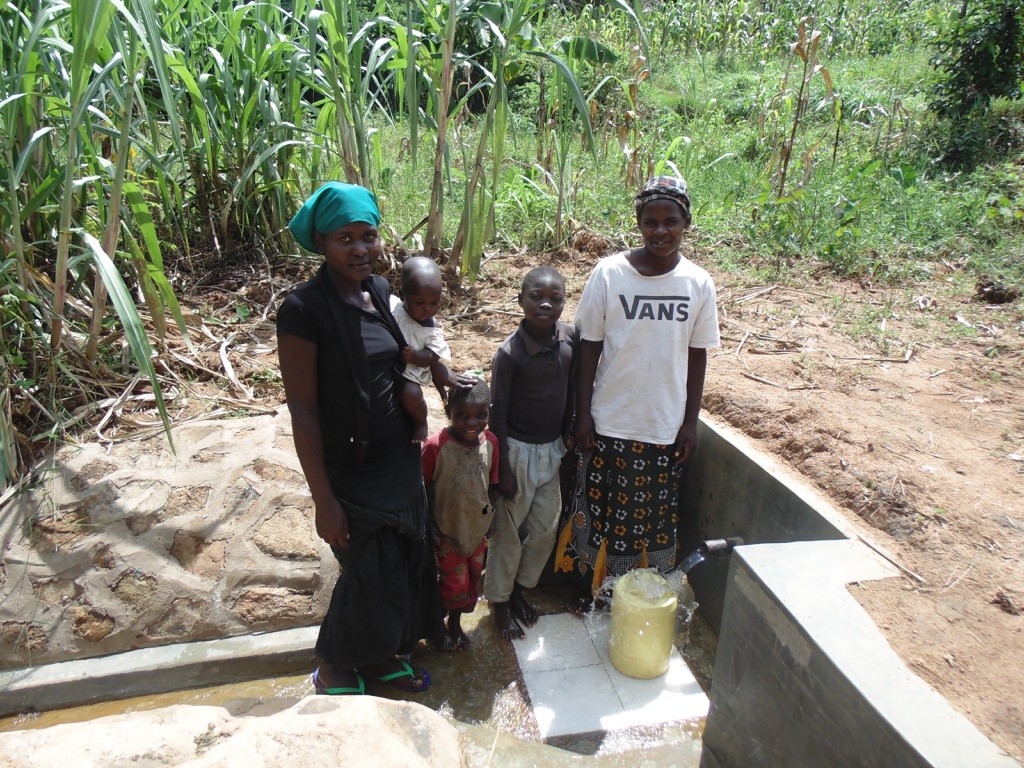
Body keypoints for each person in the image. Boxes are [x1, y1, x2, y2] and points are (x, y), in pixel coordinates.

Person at [276, 181, 440, 696]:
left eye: (368, 236)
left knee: (403, 565)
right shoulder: (304, 310)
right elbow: (303, 411)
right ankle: (334, 670)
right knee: (368, 573)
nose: (360, 249)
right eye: (344, 238)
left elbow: (399, 364)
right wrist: (324, 501)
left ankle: (380, 658)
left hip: (396, 458)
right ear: (321, 242)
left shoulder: (380, 292)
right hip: (351, 471)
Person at [554, 176, 721, 613]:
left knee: (652, 518)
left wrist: (689, 423)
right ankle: (589, 589)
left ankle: (634, 596)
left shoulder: (697, 283)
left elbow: (697, 355)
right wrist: (583, 415)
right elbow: (589, 345)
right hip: (609, 418)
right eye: (651, 222)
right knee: (597, 510)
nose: (660, 231)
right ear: (638, 223)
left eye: (671, 221)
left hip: (662, 424)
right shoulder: (610, 273)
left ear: (686, 223)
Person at [486, 266, 578, 639]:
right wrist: (503, 470)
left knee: (544, 529)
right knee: (507, 533)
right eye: (536, 297)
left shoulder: (569, 339)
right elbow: (497, 414)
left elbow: (571, 389)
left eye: (556, 299)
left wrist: (568, 431)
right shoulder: (510, 354)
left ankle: (520, 590)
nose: (546, 305)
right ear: (520, 300)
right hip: (518, 452)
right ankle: (498, 601)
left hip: (551, 450)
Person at [421, 378, 499, 651]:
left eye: (481, 415)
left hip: (476, 530)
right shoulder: (435, 446)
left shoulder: (490, 442)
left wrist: (491, 517)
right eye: (462, 415)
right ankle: (439, 627)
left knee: (473, 579)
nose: (471, 423)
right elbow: (423, 488)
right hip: (447, 531)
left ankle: (454, 622)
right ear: (448, 412)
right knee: (452, 583)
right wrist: (431, 526)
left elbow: (491, 485)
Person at [390, 256, 474, 442]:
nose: (427, 309)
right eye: (419, 303)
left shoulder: (431, 329)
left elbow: (434, 355)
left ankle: (421, 421)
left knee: (412, 394)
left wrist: (416, 356)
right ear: (403, 296)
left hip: (410, 372)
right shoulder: (394, 307)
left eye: (434, 303)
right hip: (391, 365)